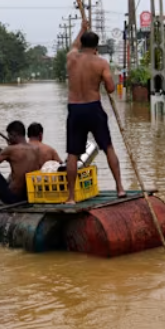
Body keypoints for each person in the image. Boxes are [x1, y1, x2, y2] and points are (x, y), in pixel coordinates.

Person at [65, 20, 125, 204]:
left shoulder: (71, 58)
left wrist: (82, 29)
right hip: (93, 108)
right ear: (96, 46)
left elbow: (74, 46)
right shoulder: (101, 63)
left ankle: (71, 197)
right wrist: (102, 77)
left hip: (75, 109)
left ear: (82, 44)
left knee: (73, 154)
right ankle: (120, 188)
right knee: (108, 147)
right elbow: (110, 88)